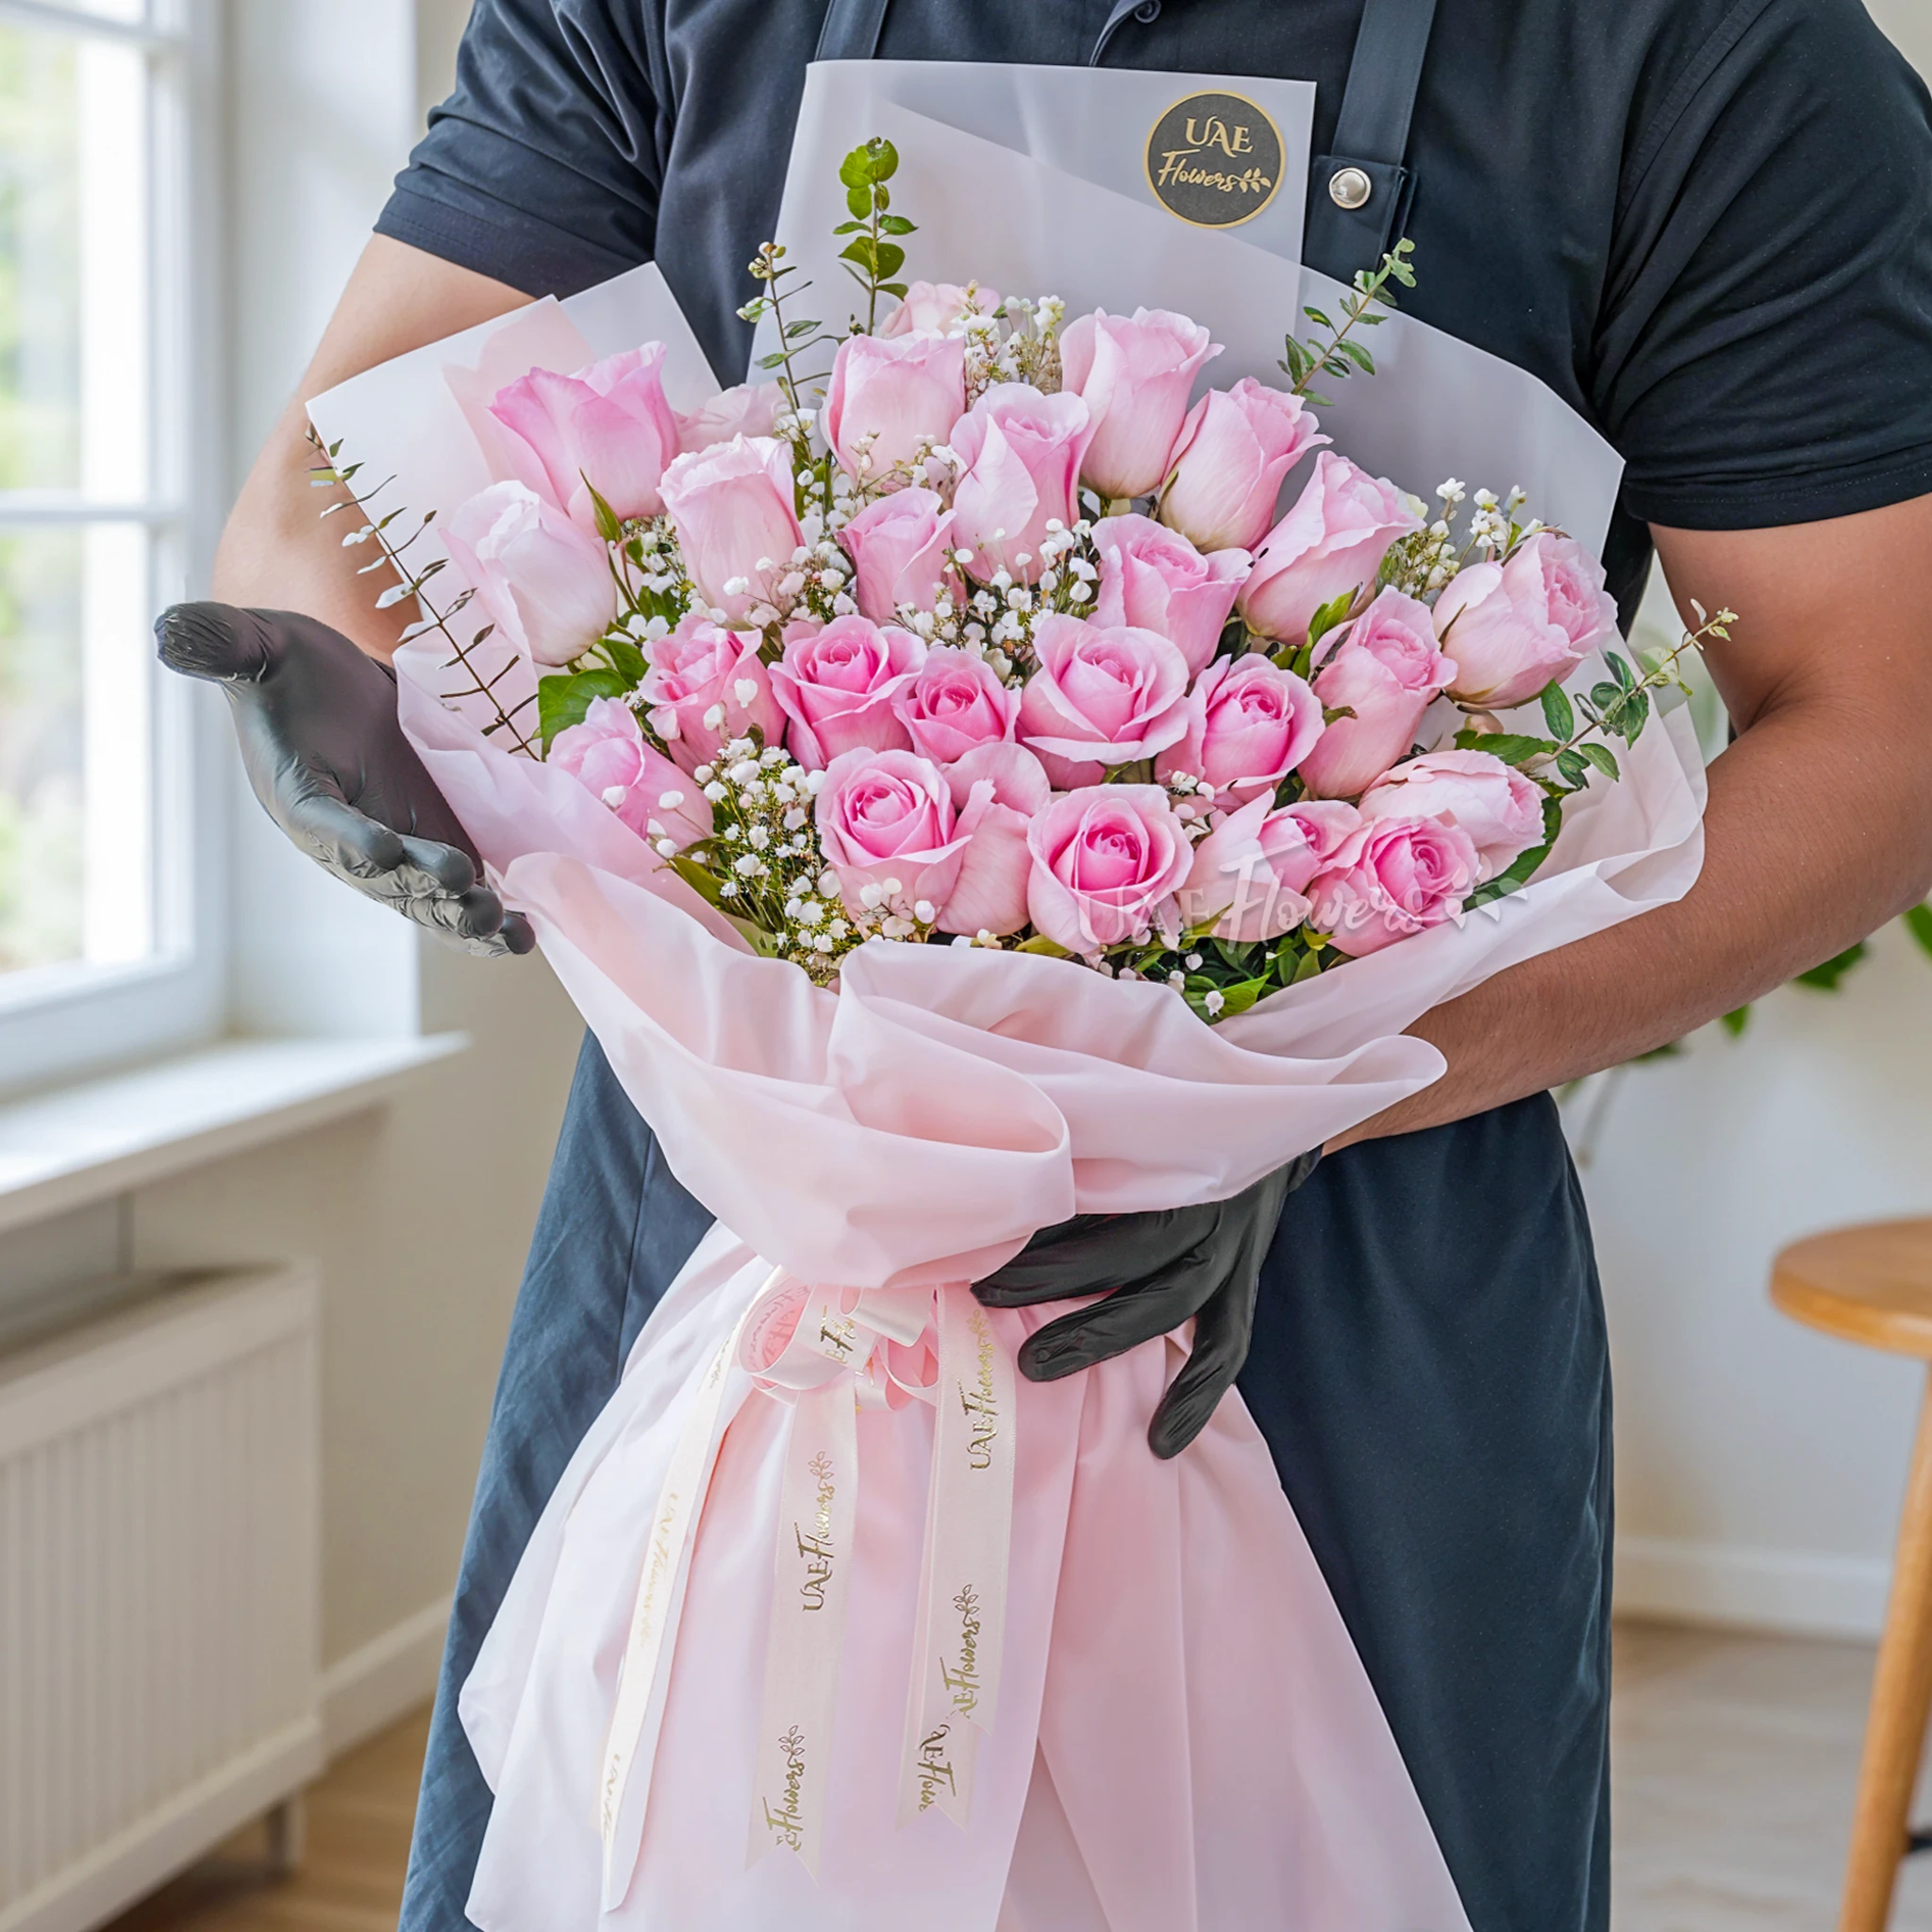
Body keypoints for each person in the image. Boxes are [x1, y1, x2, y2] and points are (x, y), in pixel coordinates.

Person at [183, 3, 1932, 1927]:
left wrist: (1329, 1085)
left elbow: (1884, 716)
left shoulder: (1696, 52)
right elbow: (335, 482)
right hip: (744, 1210)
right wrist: (334, 683)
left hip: (1352, 1262)